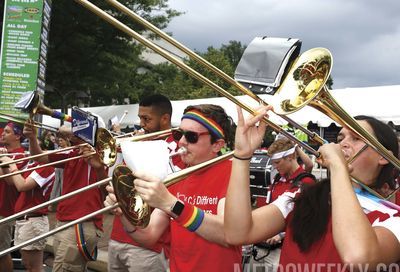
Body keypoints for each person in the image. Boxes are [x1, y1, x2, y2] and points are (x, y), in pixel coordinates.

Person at [225, 106, 400, 271]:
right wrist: (242, 156)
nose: (342, 144)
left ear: (383, 156)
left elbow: (358, 256)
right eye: (340, 139)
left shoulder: (394, 217)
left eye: (356, 138)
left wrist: (338, 167)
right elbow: (237, 233)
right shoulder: (303, 195)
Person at [105, 104, 242, 271]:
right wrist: (124, 213)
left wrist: (172, 204)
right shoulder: (177, 177)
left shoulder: (233, 172)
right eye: (179, 133)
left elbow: (229, 234)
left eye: (191, 136)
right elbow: (149, 237)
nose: (181, 141)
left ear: (217, 145)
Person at [108, 94, 184, 272]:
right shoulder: (139, 144)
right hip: (118, 235)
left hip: (149, 246)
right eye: (140, 118)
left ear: (165, 118)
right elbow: (119, 182)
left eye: (147, 119)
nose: (141, 124)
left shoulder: (177, 150)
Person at [23, 121, 107, 272]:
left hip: (81, 223)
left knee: (62, 268)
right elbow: (39, 157)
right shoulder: (72, 153)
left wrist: (99, 167)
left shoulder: (102, 155)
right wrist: (32, 138)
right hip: (65, 221)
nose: (72, 133)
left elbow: (105, 192)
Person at [249, 137, 316, 271]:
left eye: (277, 162)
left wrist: (280, 235)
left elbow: (305, 223)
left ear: (290, 157)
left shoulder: (306, 182)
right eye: (273, 163)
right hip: (263, 245)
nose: (274, 166)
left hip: (282, 250)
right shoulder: (278, 177)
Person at [0, 155, 55, 272]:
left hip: (34, 220)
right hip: (25, 219)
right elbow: (11, 182)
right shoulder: (33, 166)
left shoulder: (46, 167)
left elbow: (22, 186)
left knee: (34, 267)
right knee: (27, 264)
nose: (31, 151)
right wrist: (5, 166)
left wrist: (12, 165)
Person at [0, 122, 28, 272]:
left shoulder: (21, 155)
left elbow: (9, 180)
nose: (3, 134)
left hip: (5, 208)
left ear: (17, 135)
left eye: (7, 132)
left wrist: (3, 160)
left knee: (2, 252)